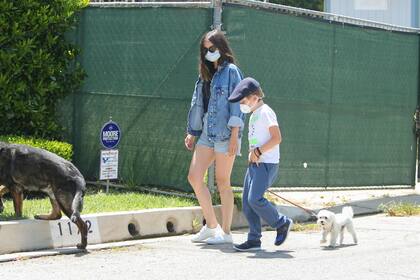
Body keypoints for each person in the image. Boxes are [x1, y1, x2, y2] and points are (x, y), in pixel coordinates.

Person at [185, 30, 244, 244]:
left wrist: (235, 136)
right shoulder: (205, 73)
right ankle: (211, 226)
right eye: (205, 50)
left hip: (226, 132)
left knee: (223, 182)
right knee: (194, 176)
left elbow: (237, 104)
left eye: (212, 48)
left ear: (221, 47)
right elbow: (198, 103)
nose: (208, 53)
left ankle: (226, 233)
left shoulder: (232, 71)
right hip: (206, 133)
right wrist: (192, 132)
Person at [228, 77, 293, 251]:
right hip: (255, 164)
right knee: (247, 203)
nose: (242, 103)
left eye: (244, 100)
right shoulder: (254, 114)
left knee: (255, 199)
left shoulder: (266, 112)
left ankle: (282, 223)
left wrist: (258, 152)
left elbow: (277, 138)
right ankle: (254, 239)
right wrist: (253, 154)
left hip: (266, 164)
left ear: (255, 96)